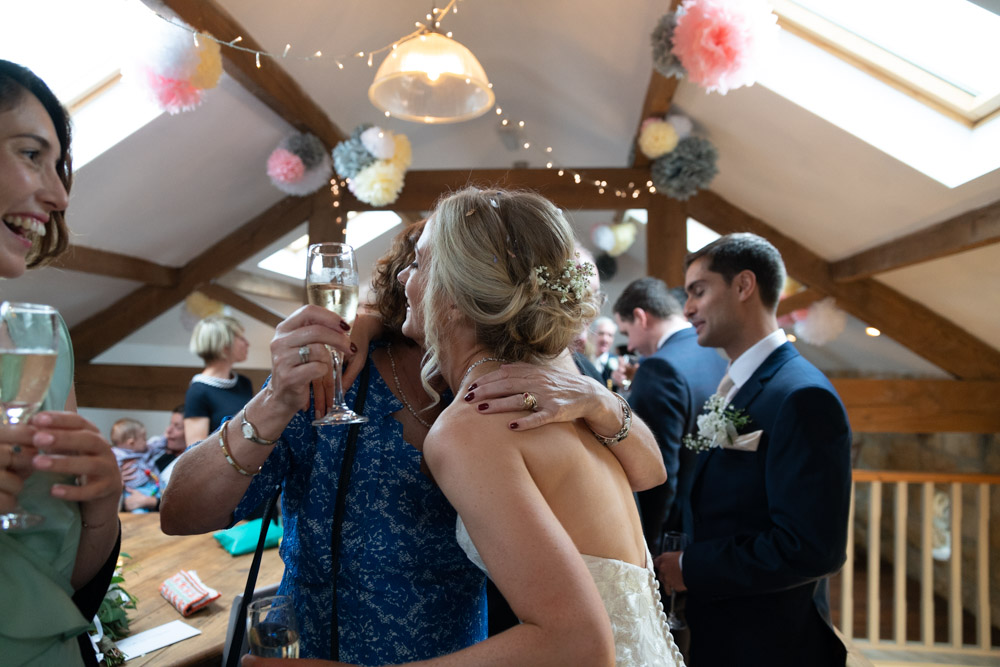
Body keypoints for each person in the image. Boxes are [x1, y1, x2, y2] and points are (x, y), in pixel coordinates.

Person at [161, 218, 666, 664]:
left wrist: (601, 399)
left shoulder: (524, 384)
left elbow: (648, 473)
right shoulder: (330, 381)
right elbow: (180, 513)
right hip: (317, 650)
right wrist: (274, 400)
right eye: (411, 266)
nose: (408, 278)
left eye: (423, 266)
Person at [376, 187, 683, 666]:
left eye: (417, 264)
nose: (402, 277)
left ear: (454, 298)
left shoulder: (474, 425)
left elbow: (576, 645)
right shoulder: (554, 381)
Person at [657, 233, 851, 667]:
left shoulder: (801, 395)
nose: (687, 308)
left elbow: (811, 548)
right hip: (723, 631)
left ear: (744, 285)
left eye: (698, 291)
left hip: (771, 645)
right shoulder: (738, 382)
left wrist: (691, 566)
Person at [0, 59, 122, 666]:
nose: (60, 195)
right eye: (31, 154)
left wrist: (103, 505)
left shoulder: (41, 337)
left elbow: (58, 581)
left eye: (59, 165)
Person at [613, 277, 726, 546]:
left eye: (627, 332)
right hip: (710, 518)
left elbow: (657, 472)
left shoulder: (659, 369)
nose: (630, 346)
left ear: (641, 317)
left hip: (673, 531)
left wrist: (649, 544)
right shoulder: (712, 352)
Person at [183, 314, 253, 446]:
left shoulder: (244, 383)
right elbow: (195, 449)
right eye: (241, 338)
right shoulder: (198, 392)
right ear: (225, 344)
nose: (247, 343)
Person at [109, 418, 164, 512]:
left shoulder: (145, 451)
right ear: (131, 443)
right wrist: (116, 476)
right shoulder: (116, 455)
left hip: (153, 487)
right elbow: (107, 471)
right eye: (144, 438)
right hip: (132, 490)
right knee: (138, 511)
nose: (146, 441)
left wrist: (165, 438)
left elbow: (156, 446)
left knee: (165, 498)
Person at [590, 316, 620, 391]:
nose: (605, 339)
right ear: (592, 334)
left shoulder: (618, 364)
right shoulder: (582, 359)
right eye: (601, 333)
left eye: (610, 335)